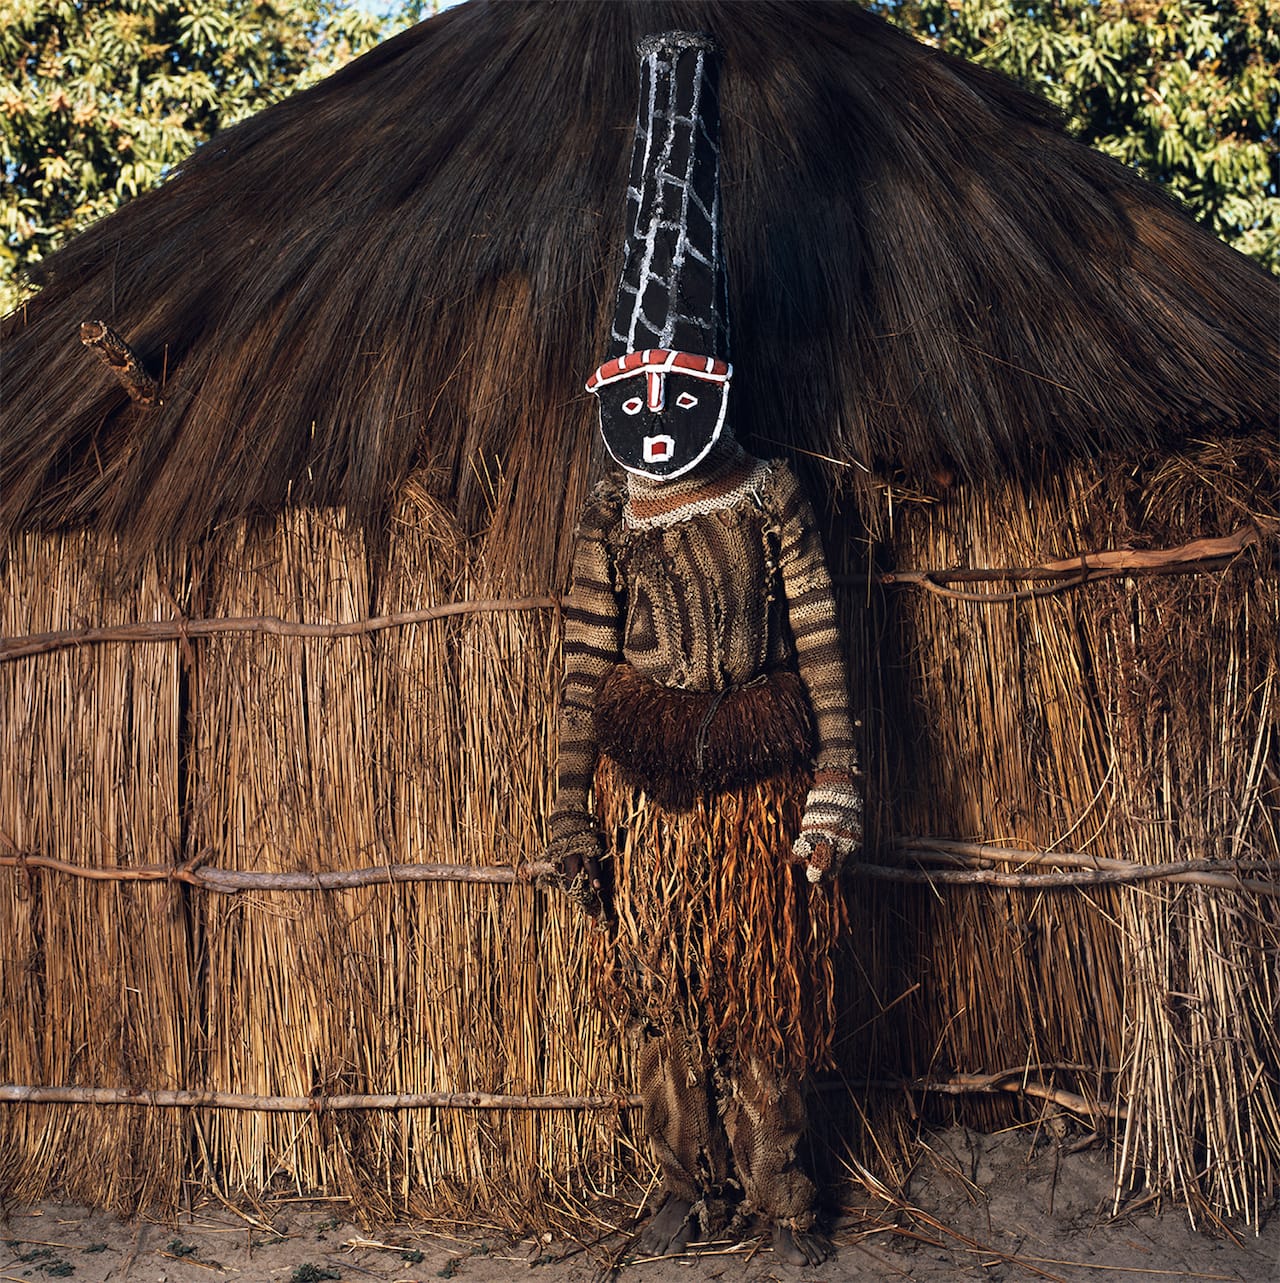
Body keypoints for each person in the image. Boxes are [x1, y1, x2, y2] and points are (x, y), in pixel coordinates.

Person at [544, 31, 862, 1266]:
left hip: (758, 785)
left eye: (683, 388)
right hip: (651, 799)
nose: (660, 417)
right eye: (639, 391)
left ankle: (785, 1196)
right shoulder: (605, 505)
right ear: (612, 384)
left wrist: (834, 775)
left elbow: (823, 634)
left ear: (716, 378)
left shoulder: (771, 490)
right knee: (669, 1000)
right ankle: (685, 1185)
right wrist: (569, 810)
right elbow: (582, 656)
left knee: (766, 998)